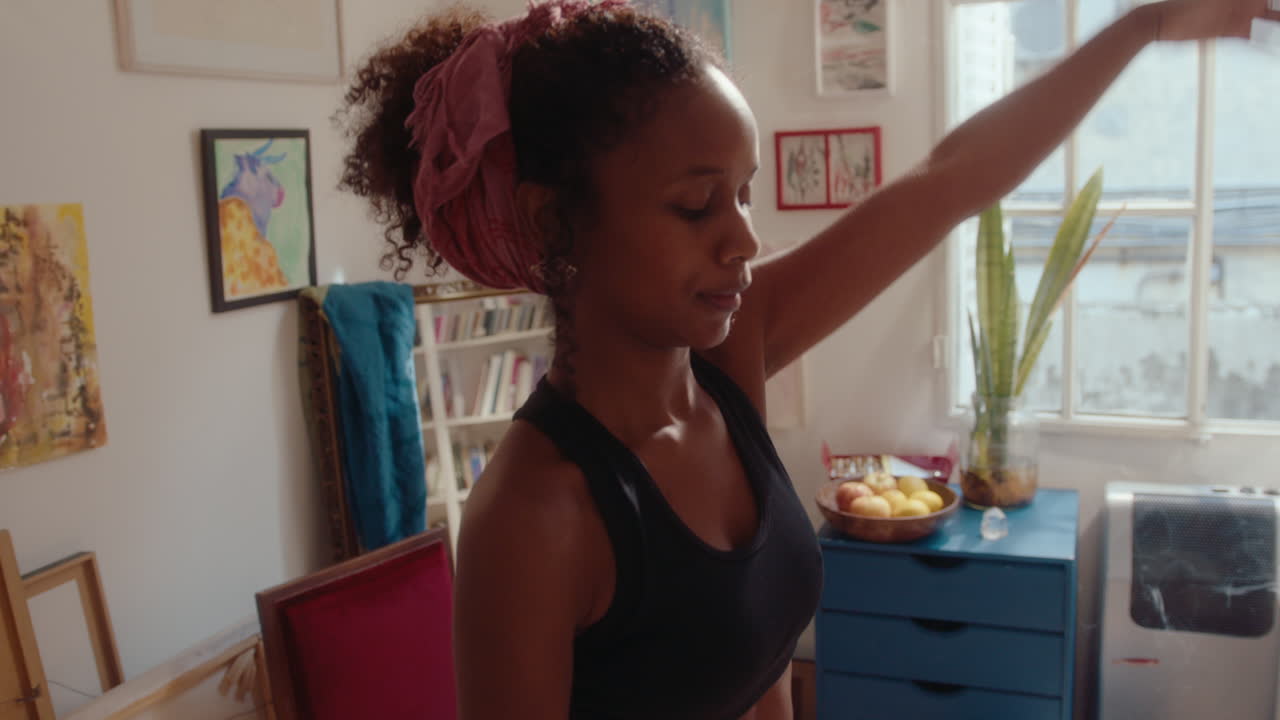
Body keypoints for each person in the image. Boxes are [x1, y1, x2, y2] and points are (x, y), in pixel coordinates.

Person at [336, 1, 1278, 717]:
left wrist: (1144, 25)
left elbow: (948, 183)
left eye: (744, 195)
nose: (744, 239)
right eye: (698, 204)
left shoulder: (726, 363)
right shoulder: (538, 516)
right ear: (556, 221)